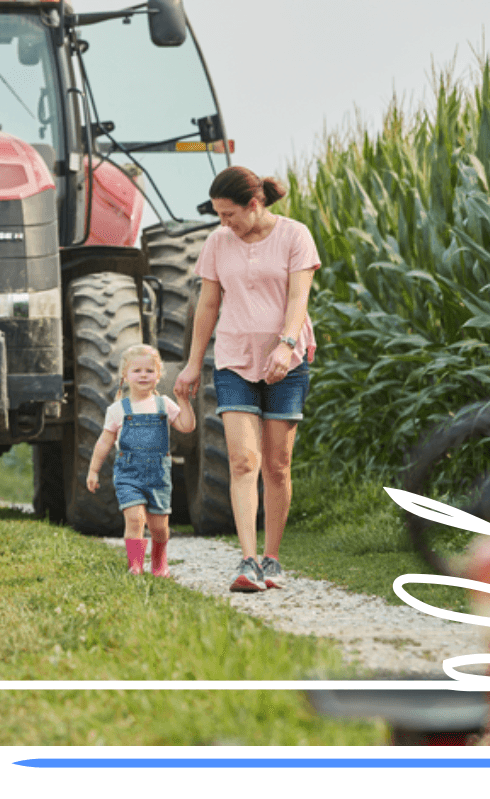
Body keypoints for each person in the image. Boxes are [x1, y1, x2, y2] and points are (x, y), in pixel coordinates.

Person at [174, 165, 319, 592]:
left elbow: (298, 297)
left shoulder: (295, 236)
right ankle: (248, 561)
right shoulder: (218, 243)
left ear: (253, 205)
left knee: (276, 465)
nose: (224, 223)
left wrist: (286, 344)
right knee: (243, 460)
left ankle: (272, 558)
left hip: (286, 364)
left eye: (229, 214)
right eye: (219, 216)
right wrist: (192, 362)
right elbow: (208, 305)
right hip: (234, 358)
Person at [87, 345, 197, 575]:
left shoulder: (164, 404)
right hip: (129, 474)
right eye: (137, 370)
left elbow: (187, 427)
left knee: (159, 528)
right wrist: (93, 471)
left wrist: (183, 400)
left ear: (158, 375)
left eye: (149, 370)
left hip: (158, 474)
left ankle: (159, 561)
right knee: (135, 519)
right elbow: (104, 443)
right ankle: (135, 565)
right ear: (125, 376)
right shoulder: (118, 409)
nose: (144, 375)